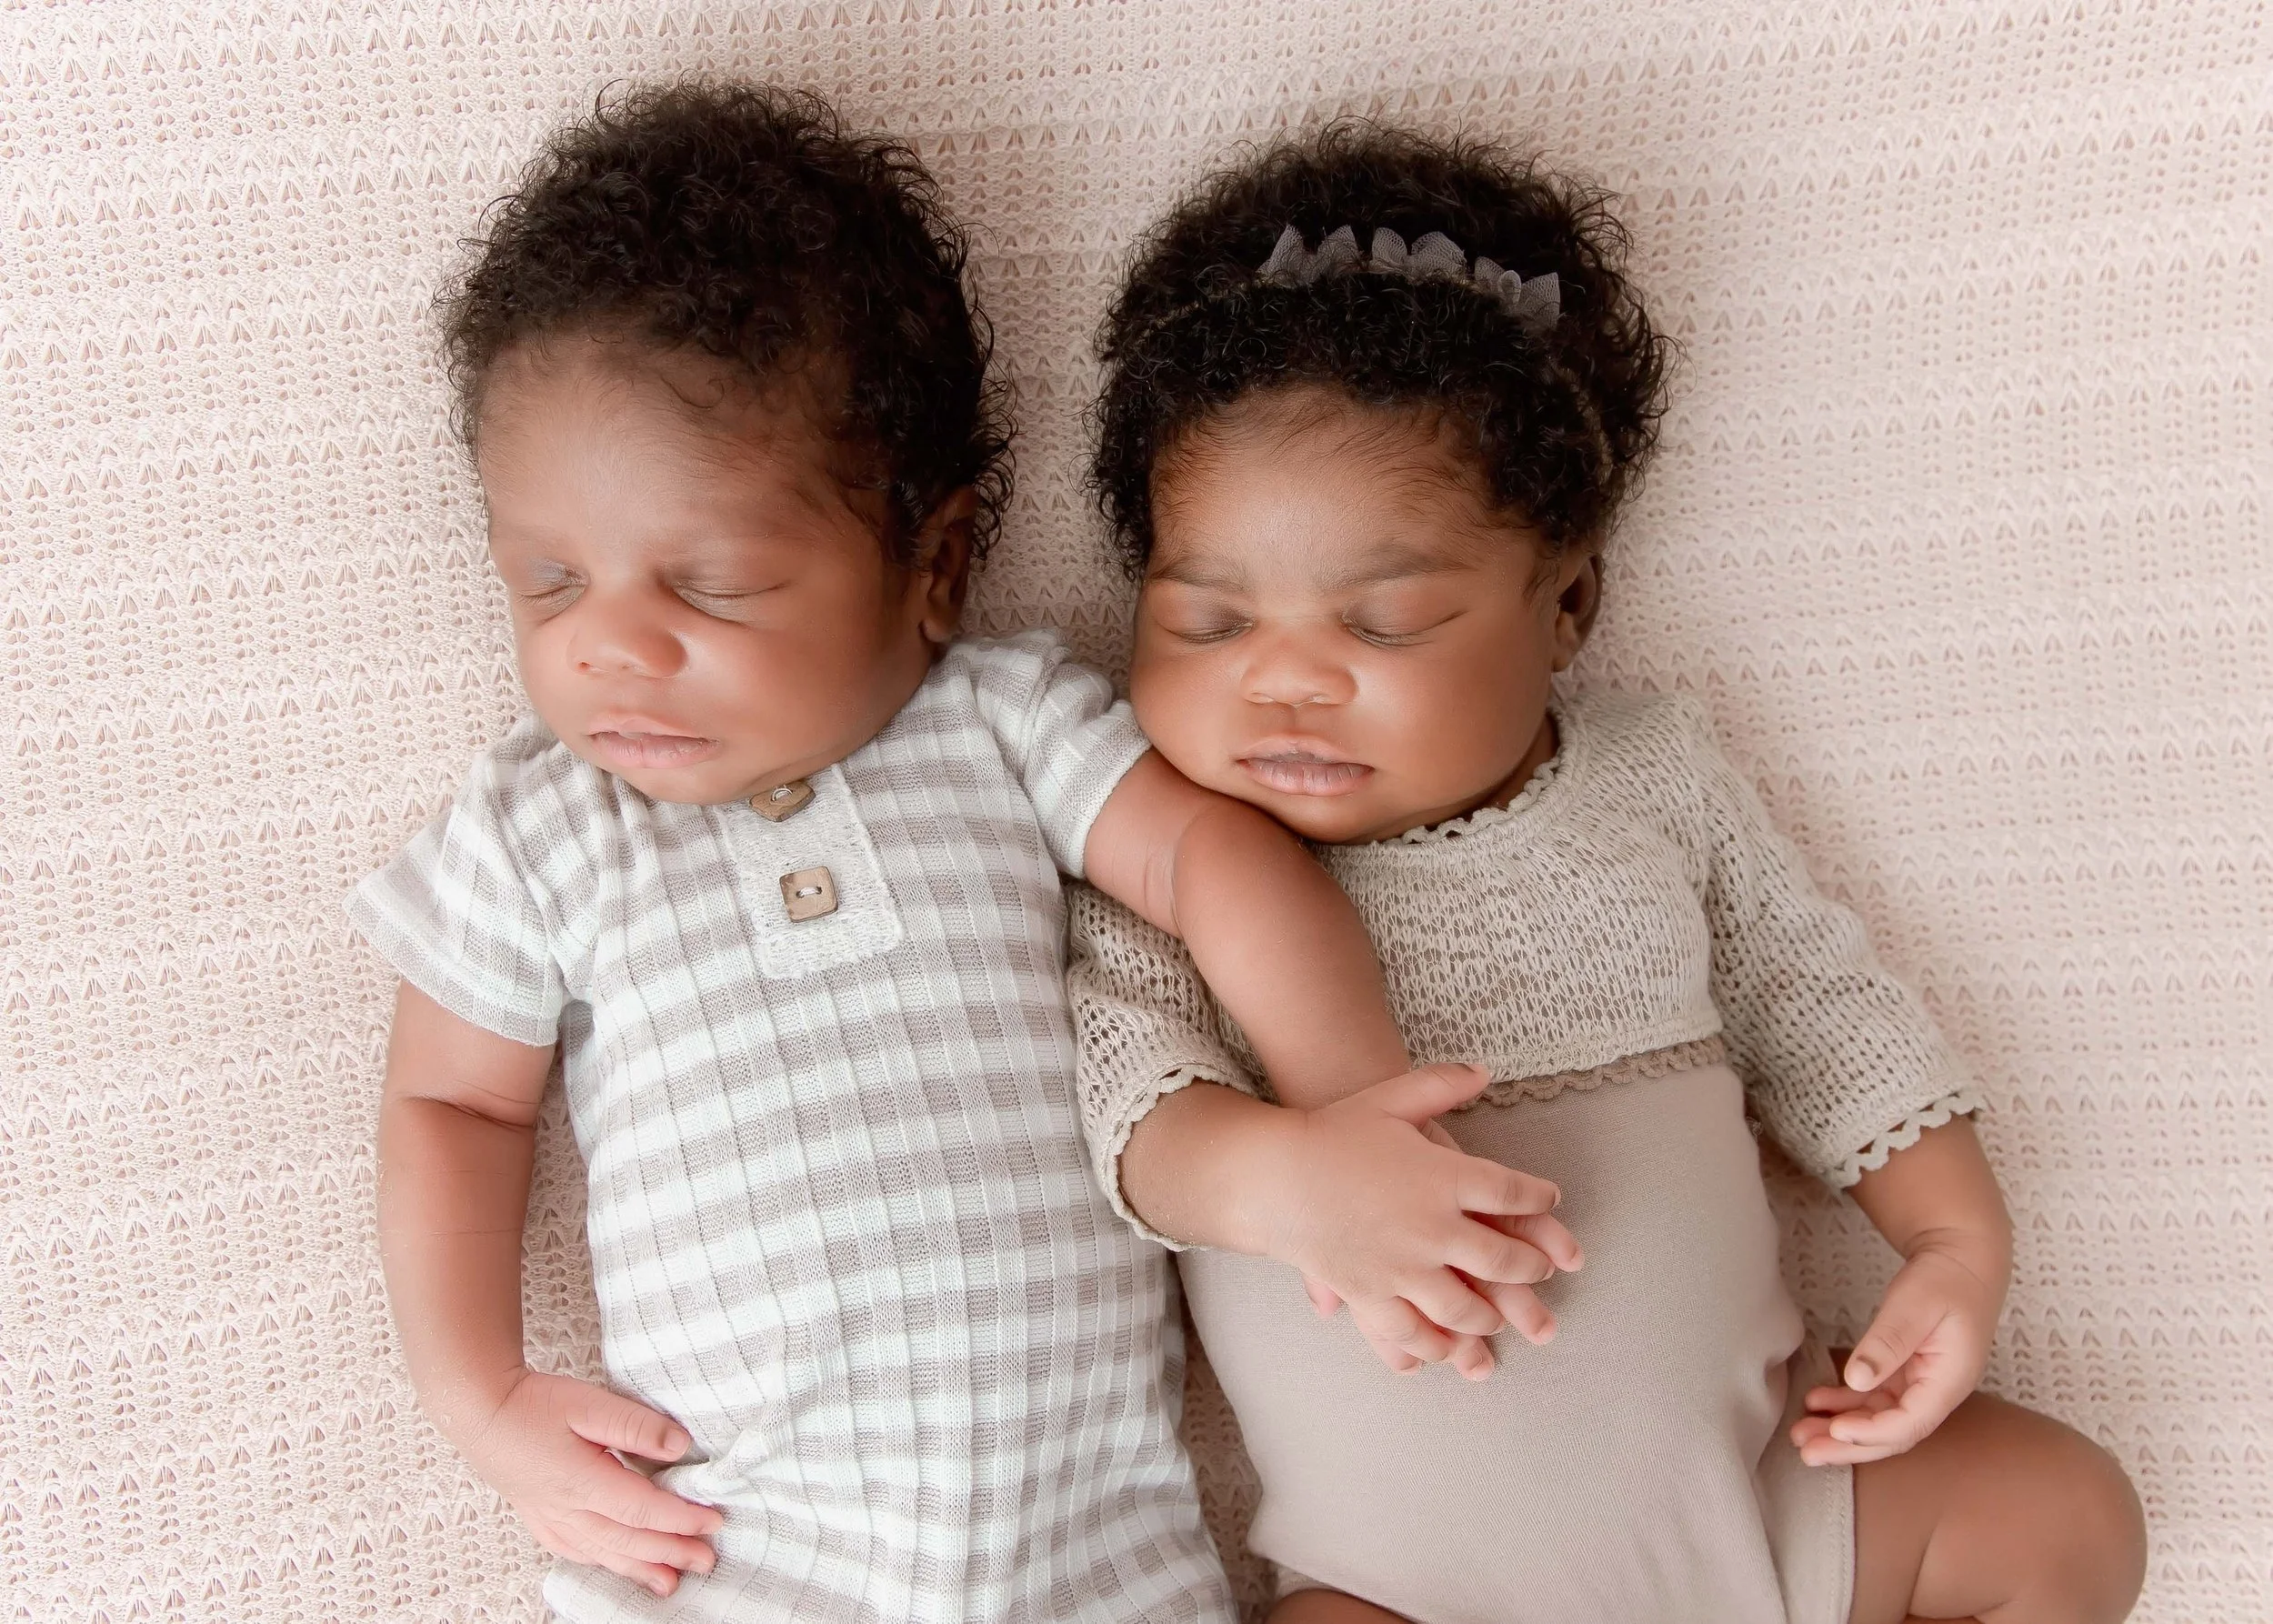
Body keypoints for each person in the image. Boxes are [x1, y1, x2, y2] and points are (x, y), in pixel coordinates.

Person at [350, 85, 1575, 1623]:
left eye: (711, 587)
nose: (610, 647)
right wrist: (480, 1397)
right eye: (546, 583)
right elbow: (451, 1103)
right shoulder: (541, 827)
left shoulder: (1005, 726)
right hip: (745, 1556)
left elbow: (1218, 863)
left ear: (934, 563)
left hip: (1098, 1554)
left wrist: (1344, 1111)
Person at [1070, 122, 2147, 1624]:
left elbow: (1820, 1005)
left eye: (1380, 625)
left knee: (2065, 1515)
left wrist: (1955, 1242)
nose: (1286, 684)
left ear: (1566, 600)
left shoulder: (1650, 780)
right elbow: (1129, 1103)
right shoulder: (1158, 848)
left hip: (1778, 1500)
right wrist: (1285, 1177)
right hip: (1404, 1585)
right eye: (1207, 622)